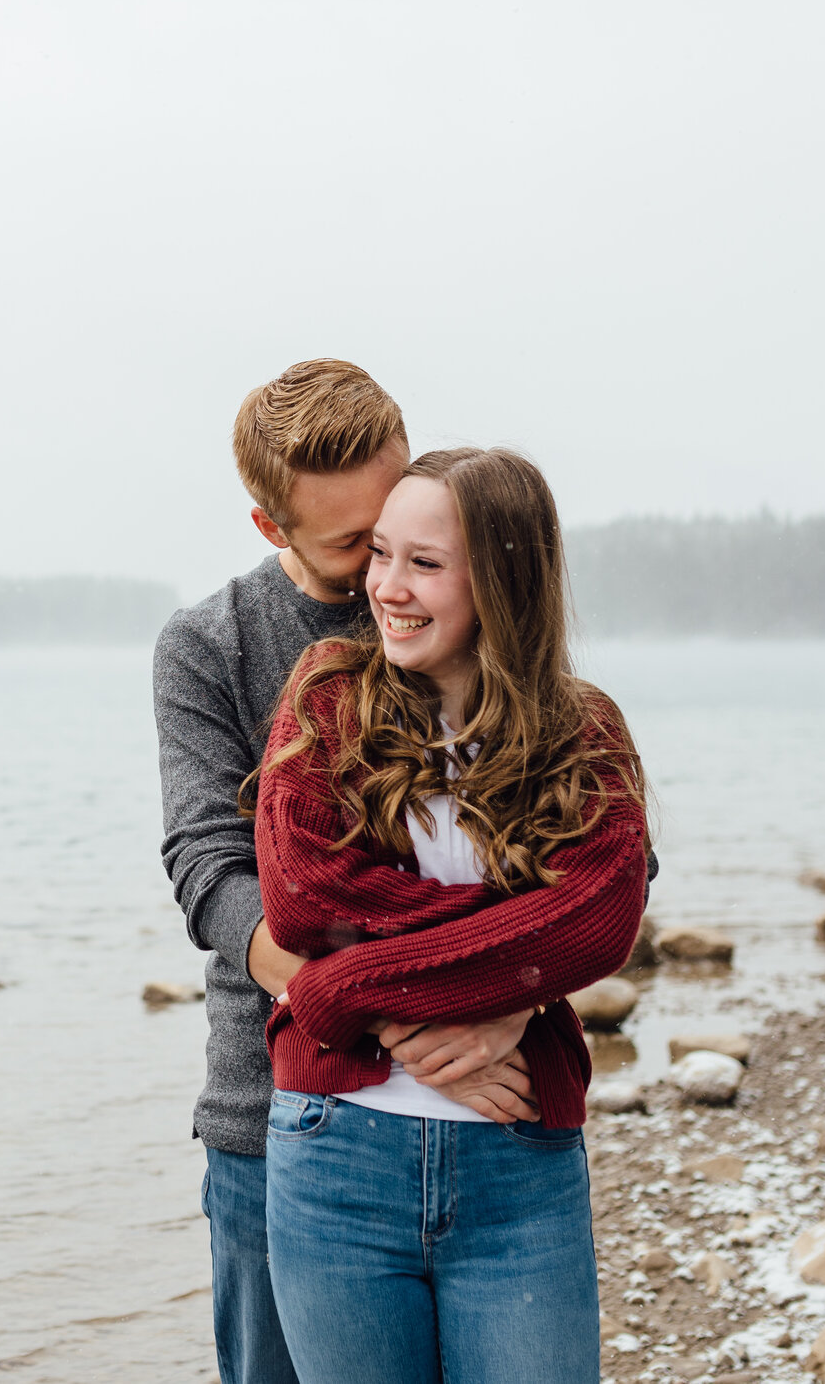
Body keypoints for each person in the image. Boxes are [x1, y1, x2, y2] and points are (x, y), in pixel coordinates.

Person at [155, 363, 537, 1384]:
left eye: (395, 523)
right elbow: (206, 868)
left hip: (485, 1100)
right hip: (275, 1106)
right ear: (266, 525)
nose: (385, 570)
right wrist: (391, 1015)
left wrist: (506, 1010)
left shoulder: (474, 613)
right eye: (350, 544)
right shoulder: (210, 645)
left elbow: (602, 857)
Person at [253, 446, 650, 1382]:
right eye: (380, 554)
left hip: (518, 1171)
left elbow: (597, 916)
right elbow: (304, 894)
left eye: (423, 563)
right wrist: (508, 954)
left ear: (504, 581)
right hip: (335, 1153)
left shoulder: (583, 730)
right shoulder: (329, 695)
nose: (386, 587)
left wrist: (344, 984)